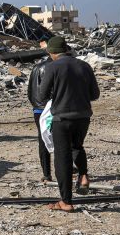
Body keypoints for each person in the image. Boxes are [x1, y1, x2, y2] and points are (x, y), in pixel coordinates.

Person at [39, 36, 100, 212]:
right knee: (77, 147)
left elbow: (42, 95)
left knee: (62, 157)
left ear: (51, 52)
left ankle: (66, 201)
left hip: (62, 118)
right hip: (83, 118)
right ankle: (83, 175)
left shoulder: (52, 67)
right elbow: (95, 94)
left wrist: (58, 94)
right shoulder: (84, 65)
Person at [27, 45, 53, 182]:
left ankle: (46, 173)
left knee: (43, 139)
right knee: (61, 138)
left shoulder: (36, 67)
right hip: (52, 108)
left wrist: (36, 105)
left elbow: (30, 91)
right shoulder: (55, 67)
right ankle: (67, 168)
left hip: (38, 109)